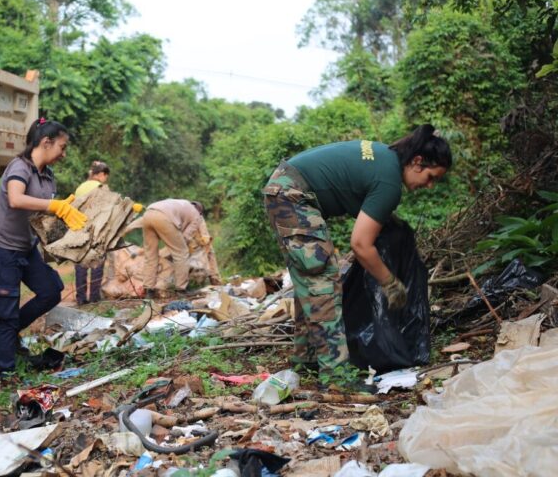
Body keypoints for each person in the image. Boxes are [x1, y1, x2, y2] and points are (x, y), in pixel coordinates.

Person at [262, 124, 451, 380]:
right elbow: (361, 245)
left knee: (310, 280)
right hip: (292, 194)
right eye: (431, 178)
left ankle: (306, 361)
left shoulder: (385, 161)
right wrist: (390, 283)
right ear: (417, 162)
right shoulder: (389, 182)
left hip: (286, 188)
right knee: (322, 282)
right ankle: (337, 377)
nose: (430, 186)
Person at [0, 118, 87, 377]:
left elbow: (42, 216)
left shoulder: (47, 176)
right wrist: (55, 205)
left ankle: (9, 331)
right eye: (61, 147)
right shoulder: (20, 167)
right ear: (45, 142)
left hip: (26, 249)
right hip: (2, 250)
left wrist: (65, 215)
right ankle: (6, 373)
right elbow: (16, 199)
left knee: (51, 290)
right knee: (6, 311)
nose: (64, 154)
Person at [73, 161, 144, 305]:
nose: (106, 179)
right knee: (97, 264)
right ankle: (94, 298)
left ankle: (81, 298)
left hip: (80, 228)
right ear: (101, 175)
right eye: (106, 176)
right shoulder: (101, 186)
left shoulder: (80, 187)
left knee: (81, 263)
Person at [141, 198, 217, 296]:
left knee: (150, 255)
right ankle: (181, 289)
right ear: (200, 211)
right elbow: (185, 237)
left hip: (148, 214)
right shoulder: (197, 216)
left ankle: (148, 290)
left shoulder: (182, 203)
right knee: (182, 253)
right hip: (164, 217)